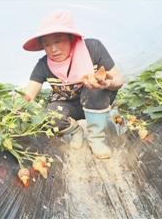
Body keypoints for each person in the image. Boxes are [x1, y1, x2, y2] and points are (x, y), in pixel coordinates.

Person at [22, 10, 124, 159]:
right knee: (50, 116)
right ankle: (76, 131)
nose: (53, 49)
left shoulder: (92, 48)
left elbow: (119, 79)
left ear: (71, 38)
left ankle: (96, 139)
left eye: (58, 41)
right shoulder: (44, 64)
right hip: (68, 106)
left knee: (94, 88)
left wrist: (108, 82)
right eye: (47, 44)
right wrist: (17, 103)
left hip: (96, 101)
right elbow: (29, 93)